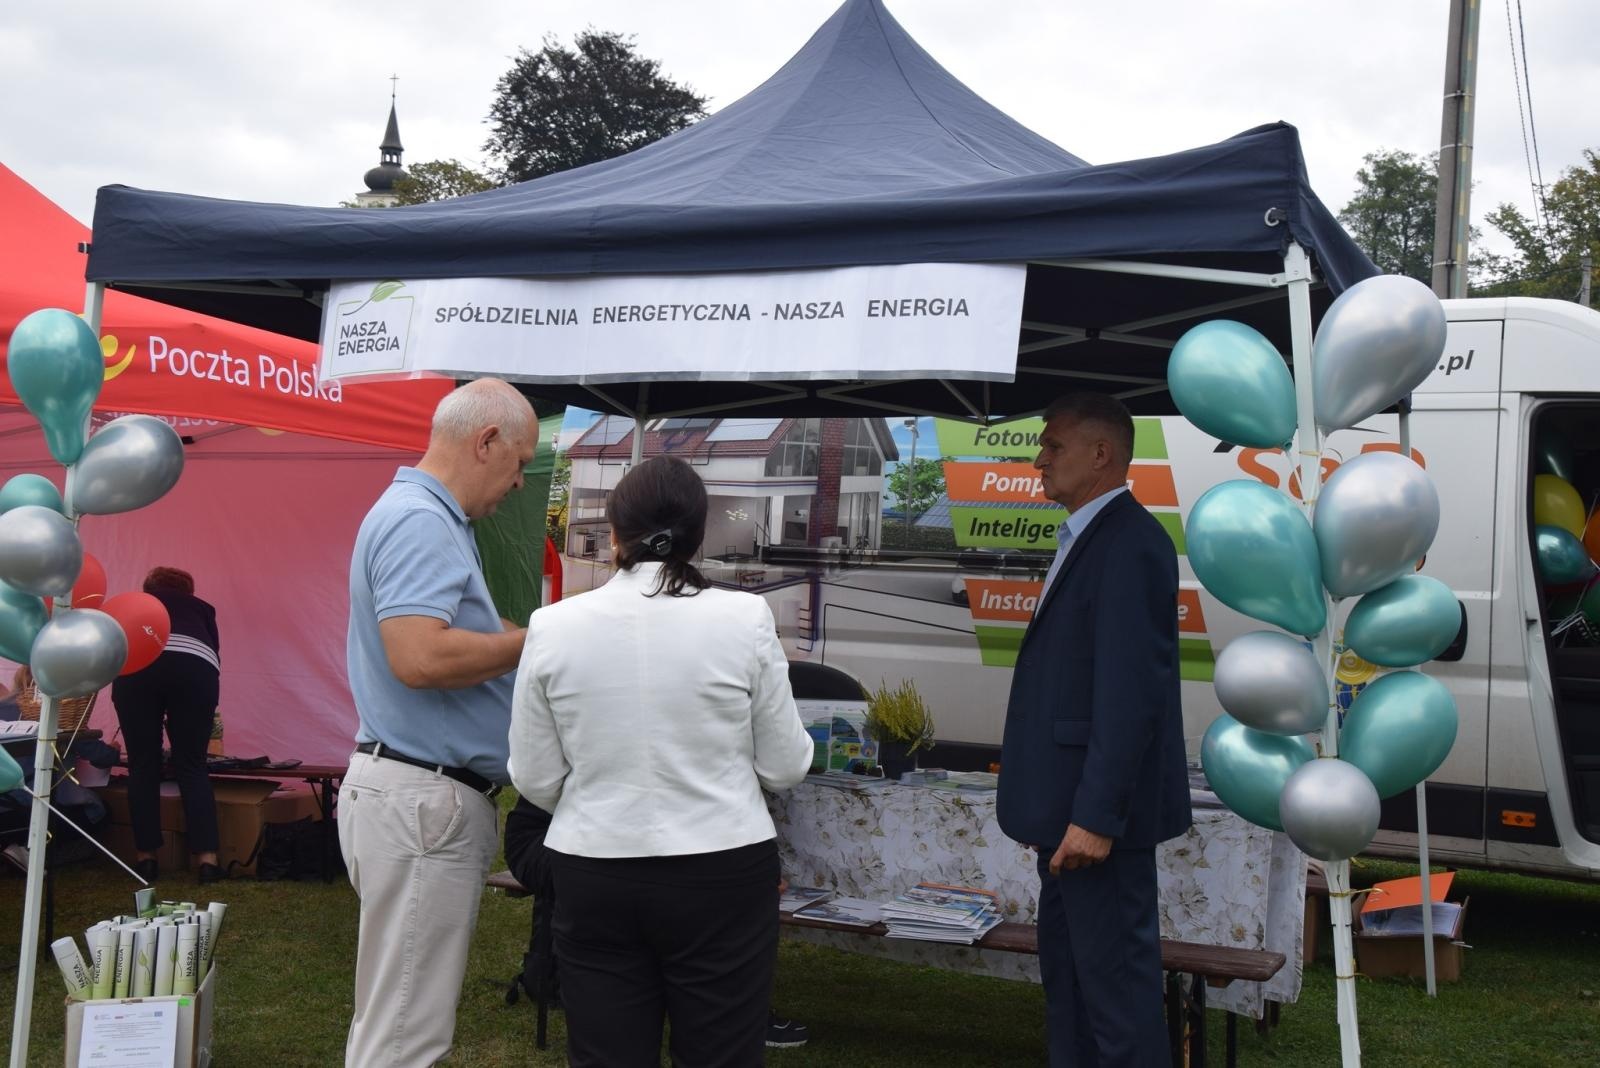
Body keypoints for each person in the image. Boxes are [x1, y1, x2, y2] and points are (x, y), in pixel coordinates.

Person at [509, 455, 814, 1068]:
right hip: (722, 870)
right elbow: (784, 766)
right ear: (700, 537)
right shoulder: (745, 618)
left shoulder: (552, 626)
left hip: (596, 869)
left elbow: (535, 778)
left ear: (613, 535)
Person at [340, 377, 537, 1068]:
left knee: (397, 1018)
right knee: (404, 1036)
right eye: (519, 464)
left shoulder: (426, 516)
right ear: (486, 442)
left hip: (414, 793)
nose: (518, 484)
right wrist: (543, 638)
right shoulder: (422, 519)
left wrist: (515, 634)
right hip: (425, 798)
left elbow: (460, 631)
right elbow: (420, 656)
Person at [996, 393, 1192, 1067]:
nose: (1038, 459)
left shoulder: (1131, 544)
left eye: (1053, 446)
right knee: (1072, 993)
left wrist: (1098, 816)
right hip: (1067, 818)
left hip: (1095, 826)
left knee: (1117, 1004)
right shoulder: (1088, 536)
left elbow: (1131, 694)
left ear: (1100, 455)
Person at [109, 567, 223, 885]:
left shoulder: (137, 603)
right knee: (192, 764)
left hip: (139, 666)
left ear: (148, 589)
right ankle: (207, 861)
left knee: (143, 765)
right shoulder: (202, 609)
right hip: (196, 668)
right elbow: (214, 651)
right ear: (188, 591)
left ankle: (146, 859)